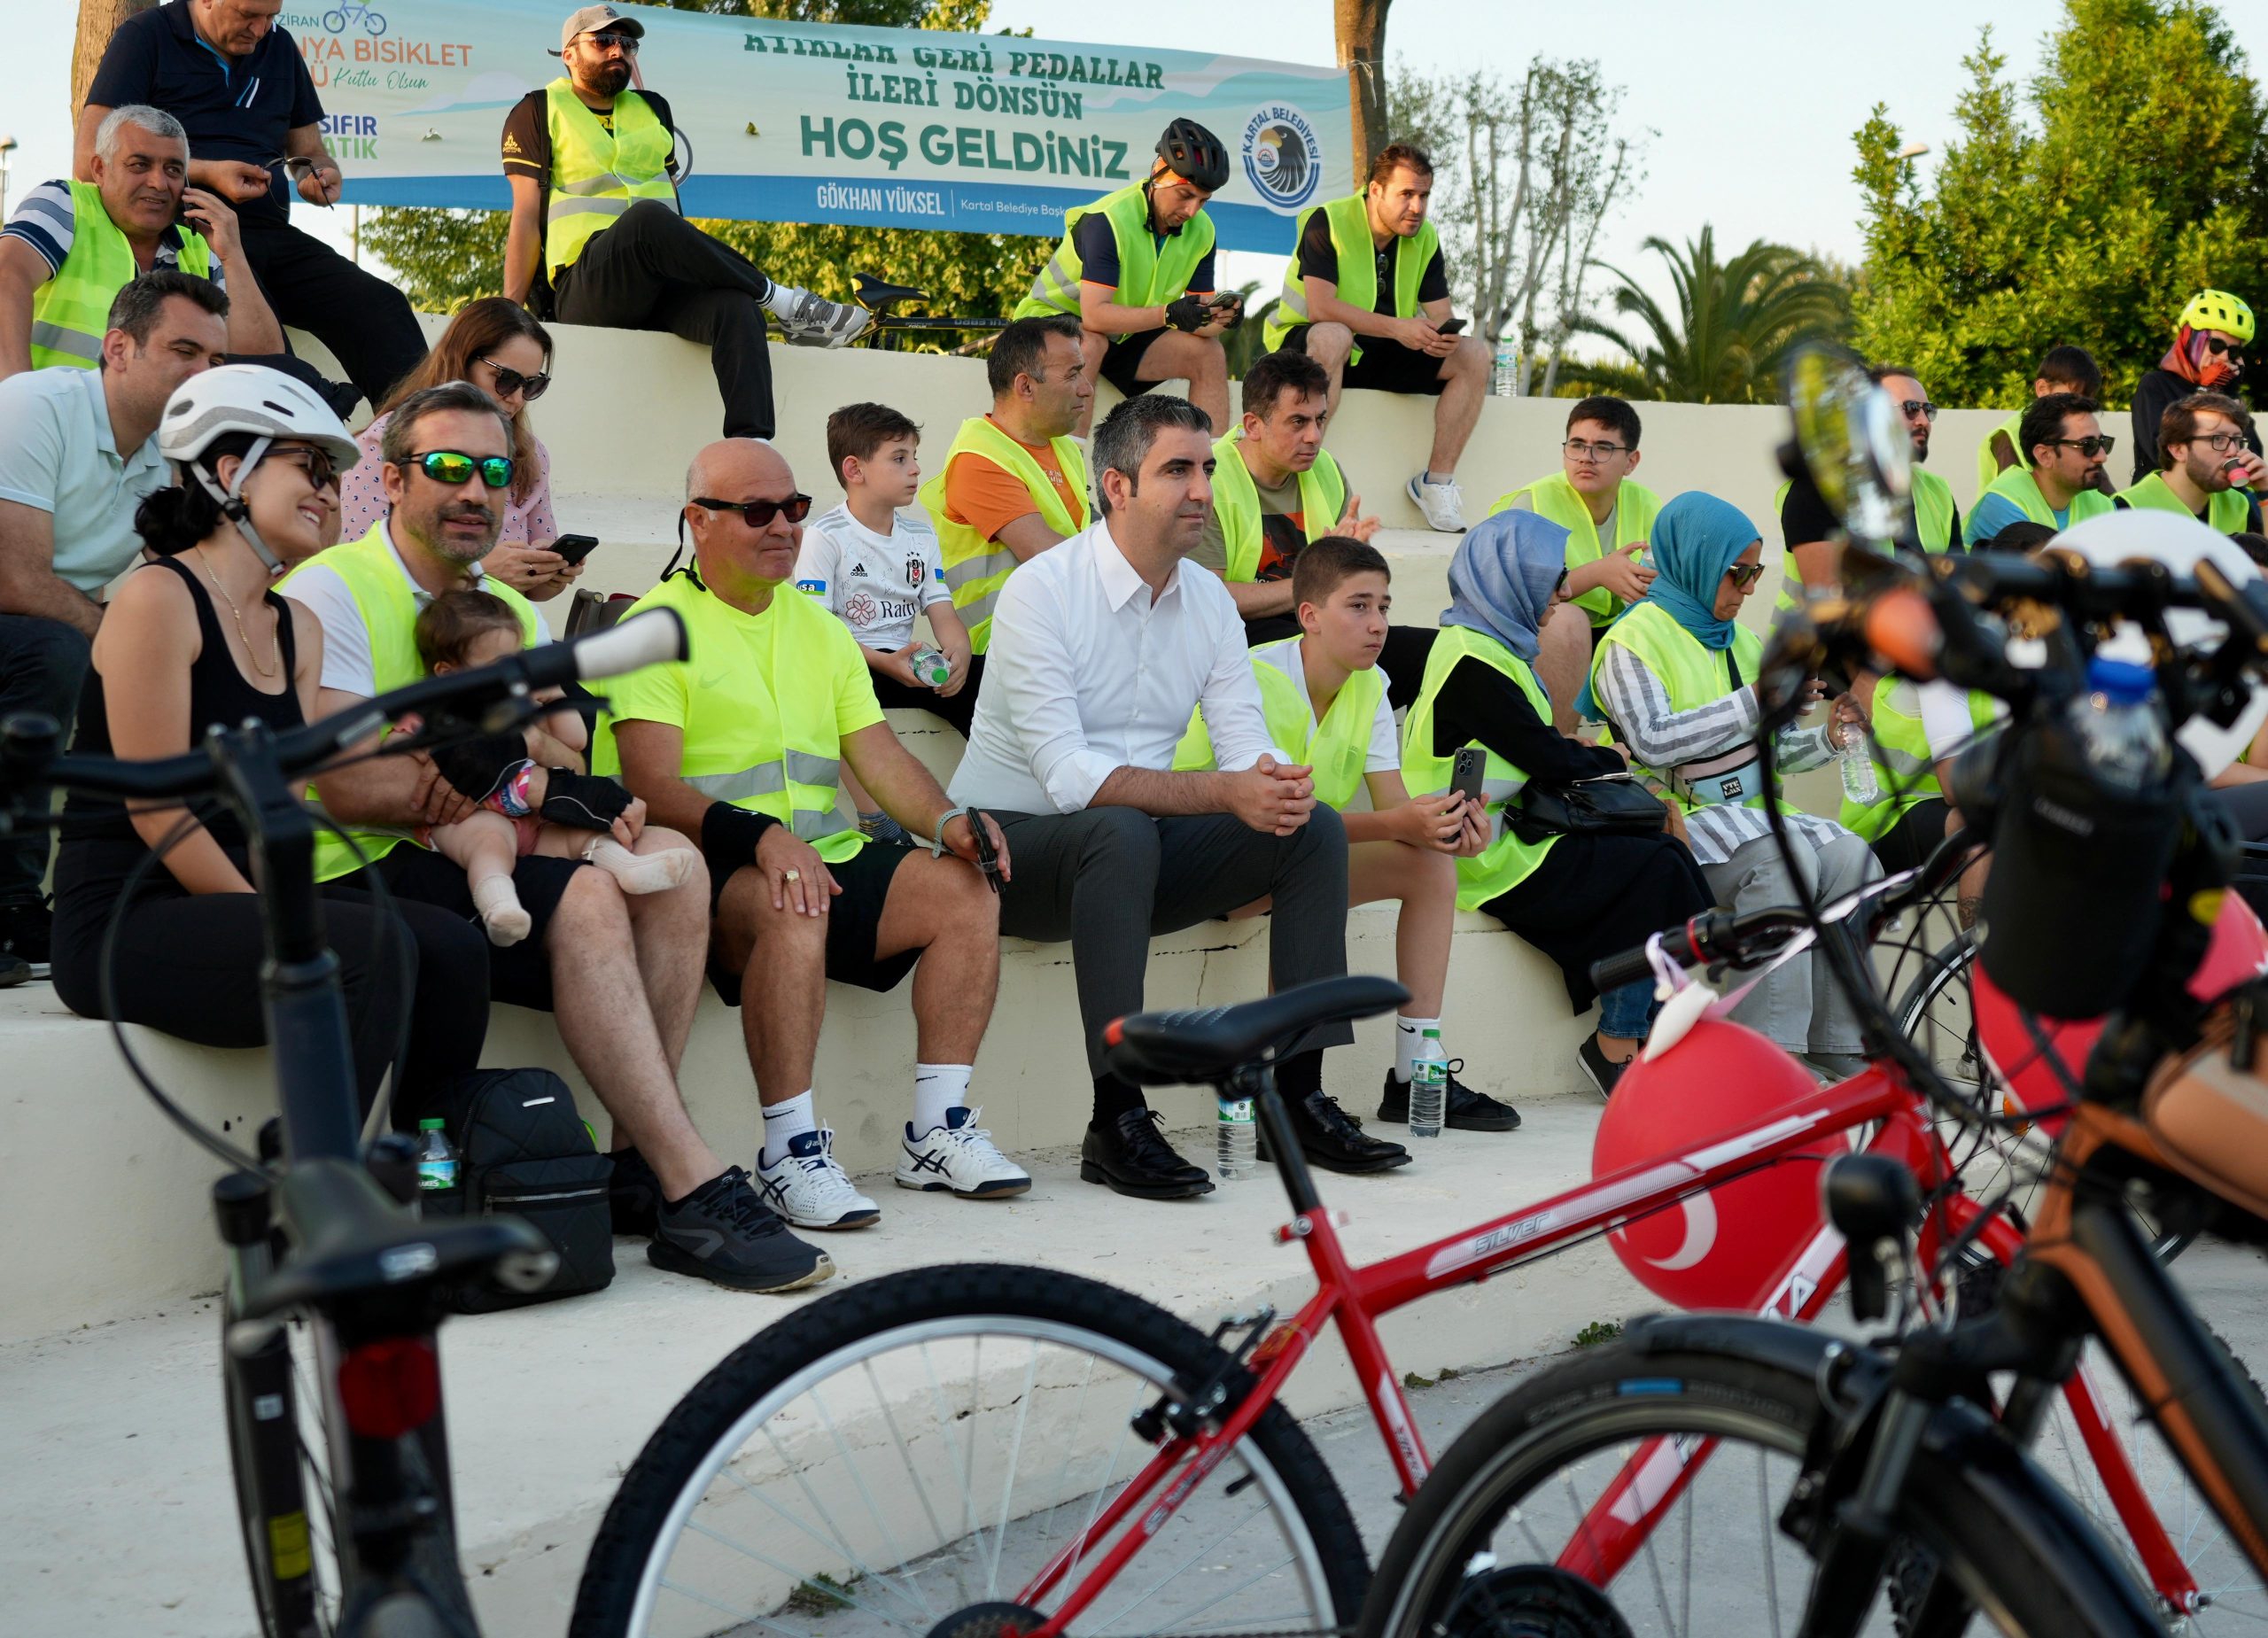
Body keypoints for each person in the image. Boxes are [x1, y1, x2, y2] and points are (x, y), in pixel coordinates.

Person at [283, 380, 829, 1294]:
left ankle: (633, 1168)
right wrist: (482, 775)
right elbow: (340, 782)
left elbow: (546, 750)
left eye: (494, 471)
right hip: (363, 868)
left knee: (676, 862)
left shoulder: (507, 604)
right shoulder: (329, 589)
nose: (474, 490)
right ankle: (688, 1176)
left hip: (479, 839)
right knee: (587, 891)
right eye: (447, 467)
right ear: (389, 477)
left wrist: (582, 800)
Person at [950, 395, 1407, 1194]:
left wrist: (1273, 782)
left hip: (1131, 859)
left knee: (1312, 829)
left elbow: (1242, 741)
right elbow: (1068, 778)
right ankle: (1116, 1118)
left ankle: (1297, 1098)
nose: (1201, 488)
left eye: (1205, 468)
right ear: (1117, 487)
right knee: (1119, 826)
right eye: (1177, 470)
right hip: (1010, 856)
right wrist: (1224, 790)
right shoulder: (1042, 591)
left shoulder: (1207, 603)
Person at [50, 365, 493, 1121]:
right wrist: (274, 915)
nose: (327, 490)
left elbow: (277, 811)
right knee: (372, 946)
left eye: (330, 474)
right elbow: (160, 813)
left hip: (229, 899)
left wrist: (275, 900)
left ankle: (432, 1165)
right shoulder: (158, 597)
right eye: (307, 468)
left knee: (452, 946)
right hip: (125, 915)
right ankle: (317, 1199)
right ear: (232, 473)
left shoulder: (298, 627)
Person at [602, 436, 1027, 1226]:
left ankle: (938, 1132)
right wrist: (759, 838)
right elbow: (648, 785)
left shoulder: (819, 628)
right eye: (756, 511)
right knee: (796, 896)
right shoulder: (655, 626)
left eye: (793, 509)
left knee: (967, 886)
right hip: (708, 873)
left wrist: (948, 820)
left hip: (817, 857)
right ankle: (790, 1152)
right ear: (698, 521)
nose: (783, 527)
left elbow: (882, 758)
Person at [1173, 536, 1520, 1130]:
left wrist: (1450, 830)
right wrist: (1398, 823)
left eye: (1384, 606)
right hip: (1204, 862)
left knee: (1429, 865)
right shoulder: (1250, 676)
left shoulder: (1372, 687)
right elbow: (1276, 817)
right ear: (1309, 616)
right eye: (1359, 606)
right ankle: (1292, 1087)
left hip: (1295, 860)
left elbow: (1395, 811)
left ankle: (1417, 1071)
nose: (1379, 623)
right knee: (1312, 848)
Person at [1402, 510, 1711, 1098]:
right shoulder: (1473, 662)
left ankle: (1638, 1030)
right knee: (1652, 865)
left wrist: (1583, 752)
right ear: (1508, 580)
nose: (1564, 590)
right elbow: (1551, 757)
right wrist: (1614, 758)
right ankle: (1618, 1041)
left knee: (1654, 852)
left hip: (1506, 830)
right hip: (1473, 852)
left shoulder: (1485, 643)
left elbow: (1532, 746)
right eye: (1551, 577)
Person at [1588, 493, 1879, 1080]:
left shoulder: (1741, 641)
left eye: (1756, 573)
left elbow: (1765, 753)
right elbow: (1653, 741)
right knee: (1784, 858)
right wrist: (1754, 700)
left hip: (1744, 814)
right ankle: (1772, 1055)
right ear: (1696, 560)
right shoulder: (1632, 640)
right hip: (1674, 819)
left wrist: (1828, 738)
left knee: (1852, 856)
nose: (1748, 588)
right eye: (1737, 572)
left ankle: (1839, 1041)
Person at [500, 4, 868, 441]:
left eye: (627, 44)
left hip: (659, 287)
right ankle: (785, 302)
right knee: (647, 221)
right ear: (569, 54)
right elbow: (524, 216)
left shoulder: (652, 108)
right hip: (588, 287)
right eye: (603, 41)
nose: (618, 50)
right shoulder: (538, 109)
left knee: (736, 308)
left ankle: (753, 447)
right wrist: (507, 312)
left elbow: (671, 204)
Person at [0, 270, 228, 975]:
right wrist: (124, 638)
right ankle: (8, 901)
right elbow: (14, 578)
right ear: (118, 349)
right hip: (27, 622)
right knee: (59, 651)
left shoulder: (175, 452)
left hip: (50, 629)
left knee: (175, 666)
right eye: (185, 351)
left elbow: (200, 583)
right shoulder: (35, 405)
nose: (204, 375)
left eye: (216, 362)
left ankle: (123, 897)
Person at [80, 0, 426, 411]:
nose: (261, 29)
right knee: (274, 357)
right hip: (189, 230)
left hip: (269, 231)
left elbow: (310, 150)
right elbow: (90, 157)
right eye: (249, 15)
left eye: (271, 17)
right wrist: (208, 173)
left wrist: (317, 174)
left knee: (380, 307)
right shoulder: (145, 36)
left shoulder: (280, 47)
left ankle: (429, 446)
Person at [413, 590, 699, 945]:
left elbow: (575, 742)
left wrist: (555, 697)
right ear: (447, 673)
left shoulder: (518, 702)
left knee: (578, 836)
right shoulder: (433, 711)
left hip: (532, 817)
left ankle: (631, 870)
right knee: (489, 842)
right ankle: (499, 906)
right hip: (470, 819)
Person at [1263, 144, 1490, 534]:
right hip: (1308, 347)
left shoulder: (1426, 238)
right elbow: (1321, 307)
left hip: (1381, 350)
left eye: (1424, 196)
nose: (1417, 207)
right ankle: (1309, 472)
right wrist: (1400, 328)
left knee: (1473, 354)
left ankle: (1436, 483)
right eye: (1407, 194)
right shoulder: (1327, 220)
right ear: (1376, 191)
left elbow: (1441, 313)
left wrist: (1443, 336)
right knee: (1333, 335)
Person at [1189, 350, 1434, 703]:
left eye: (1320, 420)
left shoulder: (1326, 470)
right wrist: (1316, 584)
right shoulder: (1211, 479)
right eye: (1298, 422)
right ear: (1253, 425)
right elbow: (1208, 598)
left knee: (1440, 656)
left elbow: (1349, 588)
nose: (1314, 436)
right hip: (1238, 635)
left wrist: (1355, 562)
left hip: (1316, 626)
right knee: (1318, 657)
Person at [797, 401, 975, 845]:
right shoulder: (825, 537)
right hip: (855, 663)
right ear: (854, 470)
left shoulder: (920, 535)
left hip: (905, 664)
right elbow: (816, 632)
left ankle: (989, 797)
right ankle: (877, 818)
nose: (916, 469)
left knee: (991, 680)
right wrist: (882, 662)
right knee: (822, 682)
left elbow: (941, 609)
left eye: (914, 456)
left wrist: (959, 652)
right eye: (900, 458)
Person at [0, 105, 283, 377]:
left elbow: (262, 365)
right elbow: (6, 276)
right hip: (53, 417)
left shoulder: (201, 246)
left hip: (166, 424)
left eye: (173, 170)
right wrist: (16, 395)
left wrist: (233, 255)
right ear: (100, 169)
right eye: (140, 165)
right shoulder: (65, 203)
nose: (159, 183)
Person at [338, 299, 583, 604]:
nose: (518, 398)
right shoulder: (385, 441)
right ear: (462, 361)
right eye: (506, 380)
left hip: (505, 634)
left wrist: (549, 572)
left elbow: (535, 592)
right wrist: (477, 571)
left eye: (532, 385)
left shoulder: (531, 455)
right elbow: (357, 566)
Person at [1012, 120, 1239, 437]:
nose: (1192, 211)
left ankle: (1213, 473)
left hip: (1121, 335)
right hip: (1045, 326)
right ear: (1158, 173)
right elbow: (1095, 315)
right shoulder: (1109, 220)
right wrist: (1170, 314)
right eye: (1185, 195)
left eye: (1203, 201)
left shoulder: (1203, 232)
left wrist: (1219, 318)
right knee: (1089, 342)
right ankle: (1069, 474)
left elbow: (1198, 323)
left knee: (1209, 352)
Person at [917, 314, 1092, 654]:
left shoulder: (1064, 448)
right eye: (1072, 374)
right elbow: (1051, 557)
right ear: (1025, 386)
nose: (1086, 387)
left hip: (1059, 633)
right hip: (1000, 646)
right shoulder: (979, 457)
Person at [1491, 396, 1659, 729]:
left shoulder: (1647, 502)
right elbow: (1508, 599)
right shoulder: (1531, 503)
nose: (1587, 458)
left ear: (1631, 461)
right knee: (1567, 621)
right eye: (1578, 445)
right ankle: (1557, 751)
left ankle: (1646, 762)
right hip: (1538, 635)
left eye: (1604, 448)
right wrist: (1599, 573)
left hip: (1613, 633)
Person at [1777, 365, 1961, 614]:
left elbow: (1956, 584)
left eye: (1928, 410)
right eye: (1910, 409)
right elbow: (1830, 606)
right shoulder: (1818, 490)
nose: (1923, 421)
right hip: (1819, 649)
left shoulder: (1936, 491)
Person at [2131, 291, 2261, 484]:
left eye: (2233, 350)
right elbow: (2162, 453)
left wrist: (2230, 396)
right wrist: (2206, 393)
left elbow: (2252, 456)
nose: (2225, 357)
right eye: (2216, 345)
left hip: (2215, 503)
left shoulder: (2223, 391)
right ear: (2191, 340)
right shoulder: (2155, 384)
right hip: (2161, 502)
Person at [1964, 393, 2120, 544]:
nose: (2102, 457)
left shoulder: (2103, 506)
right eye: (2088, 445)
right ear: (2044, 455)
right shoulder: (2003, 505)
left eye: (2103, 443)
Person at [2117, 392, 2265, 534]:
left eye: (2237, 441)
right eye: (2218, 439)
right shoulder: (2127, 508)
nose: (2233, 451)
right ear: (2178, 450)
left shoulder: (2240, 504)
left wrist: (2265, 493)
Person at [1975, 345, 2101, 493]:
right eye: (2072, 398)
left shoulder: (2082, 432)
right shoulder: (2008, 437)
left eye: (2086, 402)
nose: (2081, 409)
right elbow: (2010, 500)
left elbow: (2103, 492)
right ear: (2042, 388)